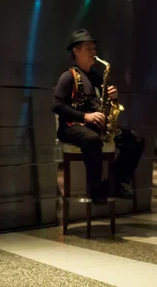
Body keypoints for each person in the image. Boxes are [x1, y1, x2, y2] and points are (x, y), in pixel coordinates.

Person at [52, 29, 144, 204]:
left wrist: (113, 98)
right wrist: (85, 116)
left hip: (94, 126)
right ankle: (95, 191)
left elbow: (104, 105)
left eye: (94, 48)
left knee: (136, 140)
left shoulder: (96, 77)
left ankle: (114, 184)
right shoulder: (68, 76)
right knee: (92, 140)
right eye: (88, 48)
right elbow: (57, 105)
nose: (93, 52)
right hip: (72, 126)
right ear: (76, 50)